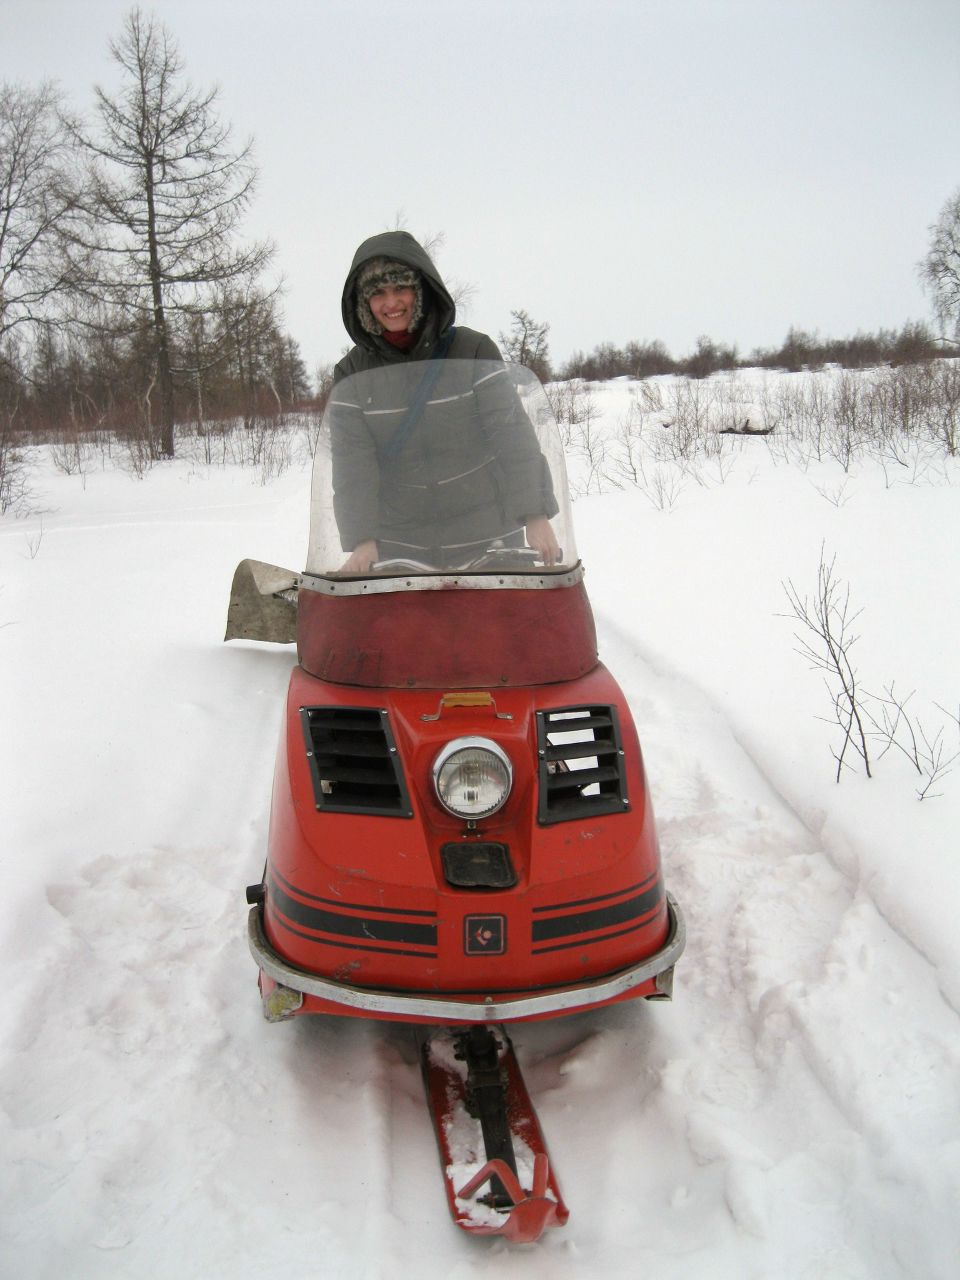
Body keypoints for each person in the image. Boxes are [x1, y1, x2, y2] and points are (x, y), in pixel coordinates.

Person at [330, 231, 561, 573]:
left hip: (489, 540)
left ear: (421, 290)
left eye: (400, 288)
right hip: (401, 548)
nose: (390, 303)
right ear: (363, 302)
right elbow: (353, 465)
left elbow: (511, 437)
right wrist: (363, 540)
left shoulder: (473, 352)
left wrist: (535, 514)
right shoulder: (351, 373)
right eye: (377, 293)